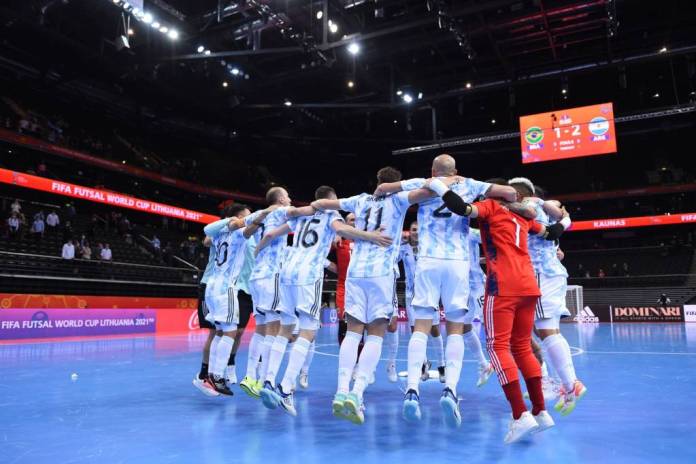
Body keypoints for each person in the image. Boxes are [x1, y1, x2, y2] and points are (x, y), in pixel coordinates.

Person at [375, 154, 518, 427]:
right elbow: (510, 193)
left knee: (420, 327)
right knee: (455, 328)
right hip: (457, 263)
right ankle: (450, 389)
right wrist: (467, 185)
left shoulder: (423, 182)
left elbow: (384, 189)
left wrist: (423, 188)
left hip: (428, 260)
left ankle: (412, 390)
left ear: (433, 170)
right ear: (456, 171)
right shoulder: (470, 184)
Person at [428, 176, 571, 444]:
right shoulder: (524, 218)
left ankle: (520, 415)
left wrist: (438, 186)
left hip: (502, 286)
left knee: (498, 348)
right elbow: (552, 233)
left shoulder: (491, 207)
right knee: (522, 348)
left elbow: (461, 208)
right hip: (529, 285)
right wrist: (566, 219)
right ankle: (540, 411)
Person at [256, 185, 393, 416]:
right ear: (332, 199)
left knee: (285, 328)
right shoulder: (332, 214)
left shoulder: (302, 213)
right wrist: (371, 236)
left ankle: (268, 381)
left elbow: (270, 235)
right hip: (308, 275)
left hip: (286, 272)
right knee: (308, 331)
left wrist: (257, 251)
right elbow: (344, 230)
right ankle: (285, 388)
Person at [312, 166, 433, 425]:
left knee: (353, 333)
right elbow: (428, 189)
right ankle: (356, 394)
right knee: (376, 335)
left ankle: (341, 390)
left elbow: (319, 204)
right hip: (380, 274)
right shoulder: (399, 199)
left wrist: (341, 223)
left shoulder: (359, 200)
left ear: (378, 181)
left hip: (355, 273)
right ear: (396, 183)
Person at [509, 178, 586, 416]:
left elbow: (550, 227)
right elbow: (561, 220)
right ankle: (566, 385)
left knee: (546, 331)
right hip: (544, 274)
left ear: (519, 193)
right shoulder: (540, 207)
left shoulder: (531, 205)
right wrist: (564, 219)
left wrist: (561, 217)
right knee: (539, 331)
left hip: (542, 274)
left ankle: (569, 383)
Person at [238, 189, 290, 399]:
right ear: (281, 199)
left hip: (256, 277)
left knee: (260, 328)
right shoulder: (282, 211)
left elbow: (243, 231)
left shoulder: (259, 214)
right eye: (287, 196)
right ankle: (264, 381)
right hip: (271, 275)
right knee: (273, 329)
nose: (290, 199)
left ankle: (250, 376)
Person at [202, 204, 251, 395]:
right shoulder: (238, 234)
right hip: (226, 288)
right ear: (238, 218)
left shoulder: (219, 234)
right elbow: (250, 225)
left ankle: (211, 375)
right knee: (229, 333)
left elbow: (208, 235)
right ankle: (217, 376)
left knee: (221, 332)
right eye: (245, 216)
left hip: (212, 286)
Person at [397, 222, 445, 384]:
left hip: (429, 293)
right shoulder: (403, 248)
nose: (416, 232)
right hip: (411, 295)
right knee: (415, 331)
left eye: (419, 230)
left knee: (434, 329)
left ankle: (442, 366)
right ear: (409, 232)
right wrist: (399, 238)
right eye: (413, 230)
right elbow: (391, 255)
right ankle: (424, 365)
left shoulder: (429, 247)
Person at [467, 228, 495, 387]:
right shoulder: (445, 233)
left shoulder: (471, 232)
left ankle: (540, 371)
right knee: (463, 327)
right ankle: (484, 365)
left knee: (495, 327)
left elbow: (495, 237)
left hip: (478, 285)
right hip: (461, 287)